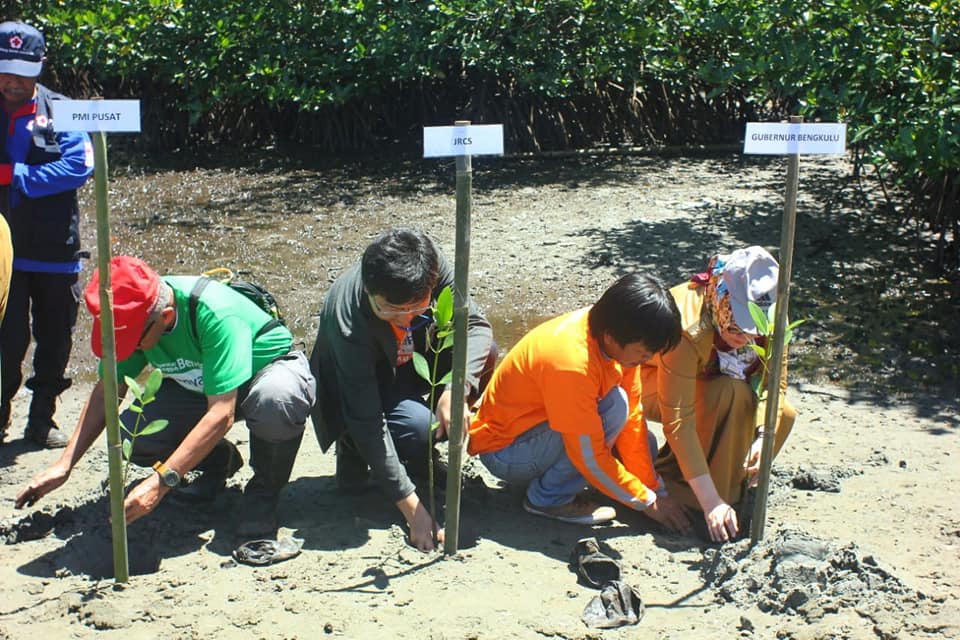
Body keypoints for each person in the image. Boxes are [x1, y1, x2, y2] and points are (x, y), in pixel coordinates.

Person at [15, 256, 316, 537]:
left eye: (134, 341)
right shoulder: (133, 313)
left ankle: (263, 496)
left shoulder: (214, 313)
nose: (130, 349)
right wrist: (65, 464)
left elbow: (221, 414)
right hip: (199, 383)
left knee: (276, 401)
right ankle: (218, 462)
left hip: (262, 373)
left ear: (166, 317)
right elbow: (109, 389)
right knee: (135, 437)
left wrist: (161, 483)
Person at [309, 228, 497, 552]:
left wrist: (456, 388)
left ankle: (416, 455)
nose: (404, 318)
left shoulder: (429, 265)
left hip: (409, 364)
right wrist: (414, 512)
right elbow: (367, 420)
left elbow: (476, 327)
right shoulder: (349, 318)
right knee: (416, 429)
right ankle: (350, 446)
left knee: (487, 352)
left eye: (416, 308)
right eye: (391, 311)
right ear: (369, 290)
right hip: (358, 387)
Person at [467, 273, 691, 532]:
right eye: (643, 353)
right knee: (613, 410)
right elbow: (588, 454)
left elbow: (633, 420)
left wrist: (653, 489)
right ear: (612, 336)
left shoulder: (616, 337)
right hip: (506, 451)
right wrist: (649, 503)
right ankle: (548, 499)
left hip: (539, 432)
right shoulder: (573, 363)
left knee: (645, 444)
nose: (647, 359)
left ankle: (569, 482)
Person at [630, 245, 797, 543]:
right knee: (727, 394)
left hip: (709, 381)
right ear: (721, 301)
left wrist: (763, 436)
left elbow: (775, 387)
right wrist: (712, 503)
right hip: (649, 385)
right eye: (737, 328)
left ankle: (729, 487)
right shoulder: (687, 326)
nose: (746, 339)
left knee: (781, 414)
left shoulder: (773, 313)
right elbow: (678, 420)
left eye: (754, 332)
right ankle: (694, 494)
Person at [0, 21, 94, 448]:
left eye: (22, 70)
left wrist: (15, 175)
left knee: (55, 339)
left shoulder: (64, 110)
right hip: (3, 253)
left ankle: (42, 420)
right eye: (4, 69)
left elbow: (79, 166)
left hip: (55, 249)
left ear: (41, 65)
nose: (12, 80)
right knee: (5, 339)